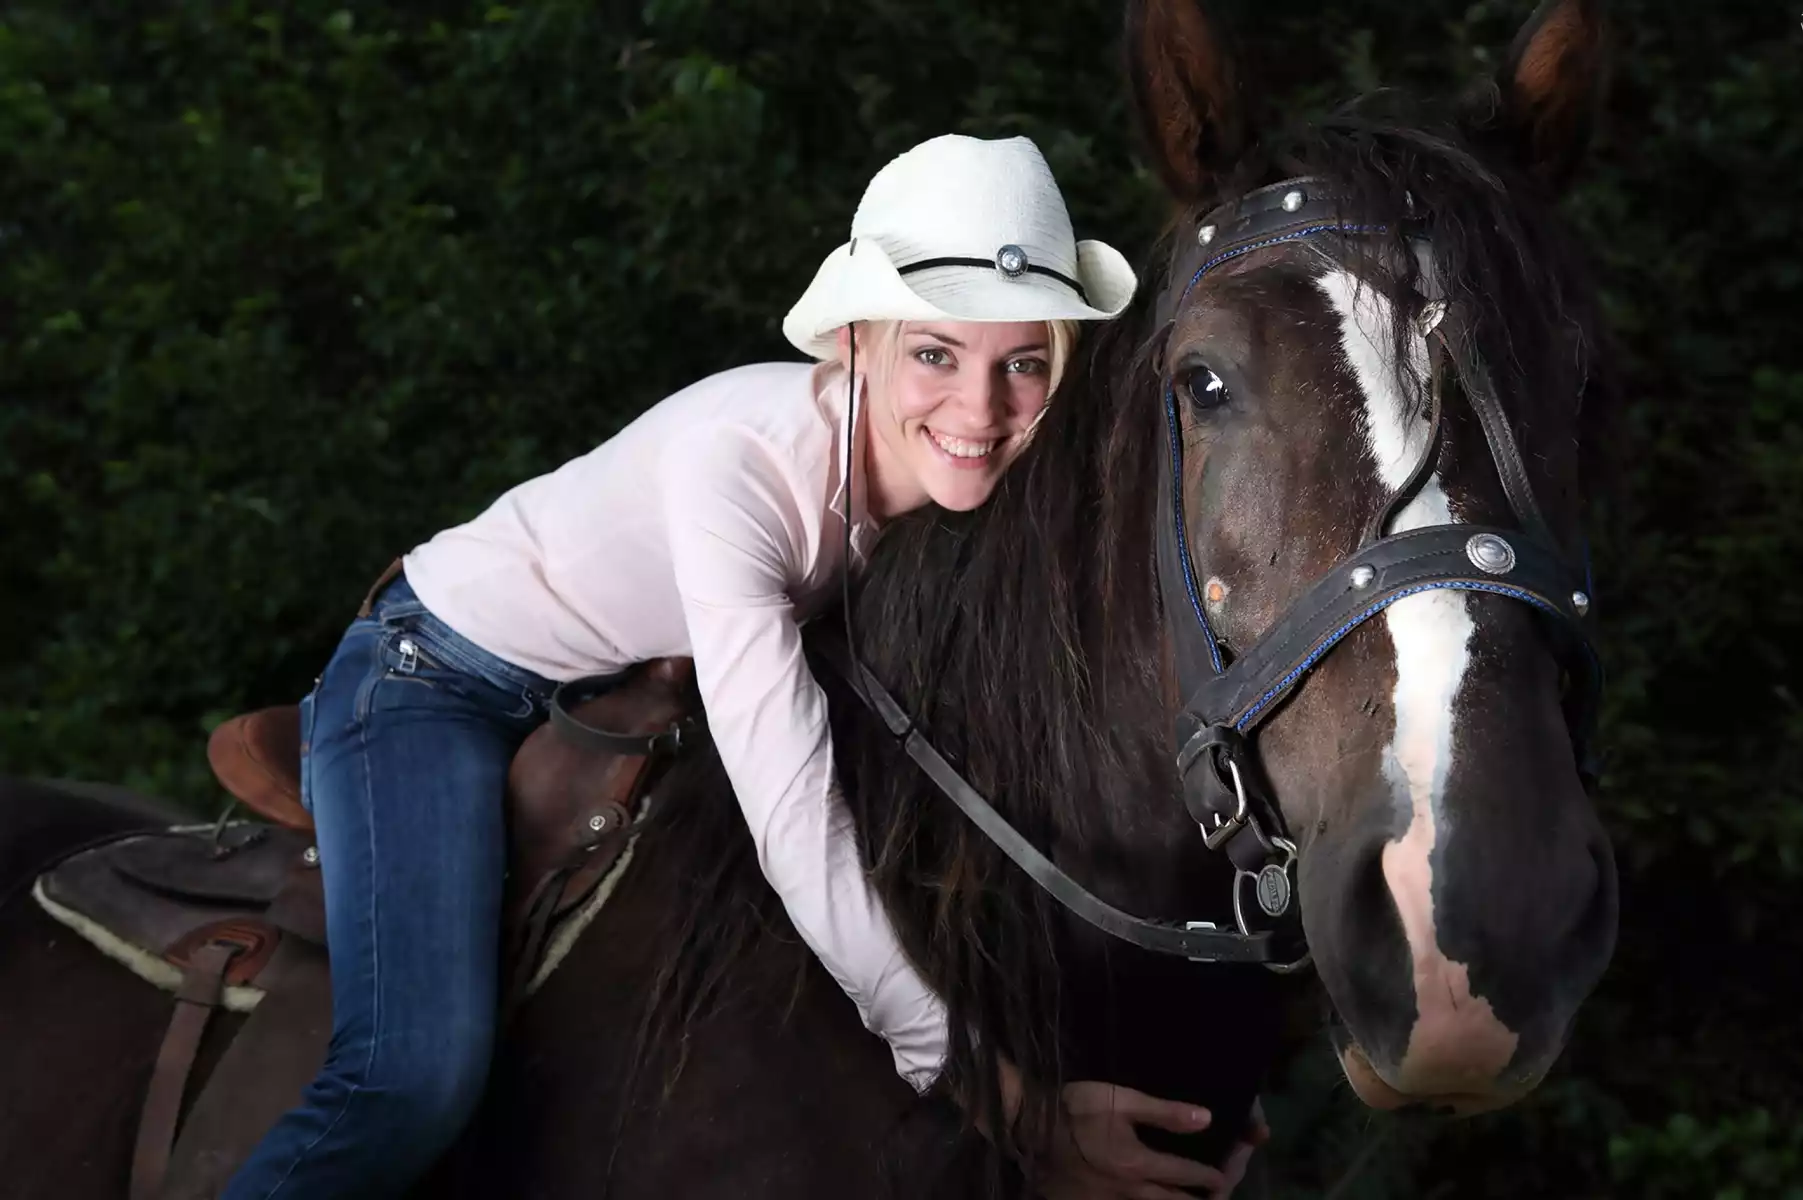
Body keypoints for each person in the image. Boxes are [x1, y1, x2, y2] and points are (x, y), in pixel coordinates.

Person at [222, 133, 1261, 1199]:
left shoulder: (967, 493)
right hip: (434, 673)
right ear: (859, 342)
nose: (980, 411)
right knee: (412, 1076)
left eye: (1023, 362)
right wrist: (997, 1098)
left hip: (611, 687)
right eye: (936, 355)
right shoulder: (746, 470)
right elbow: (795, 818)